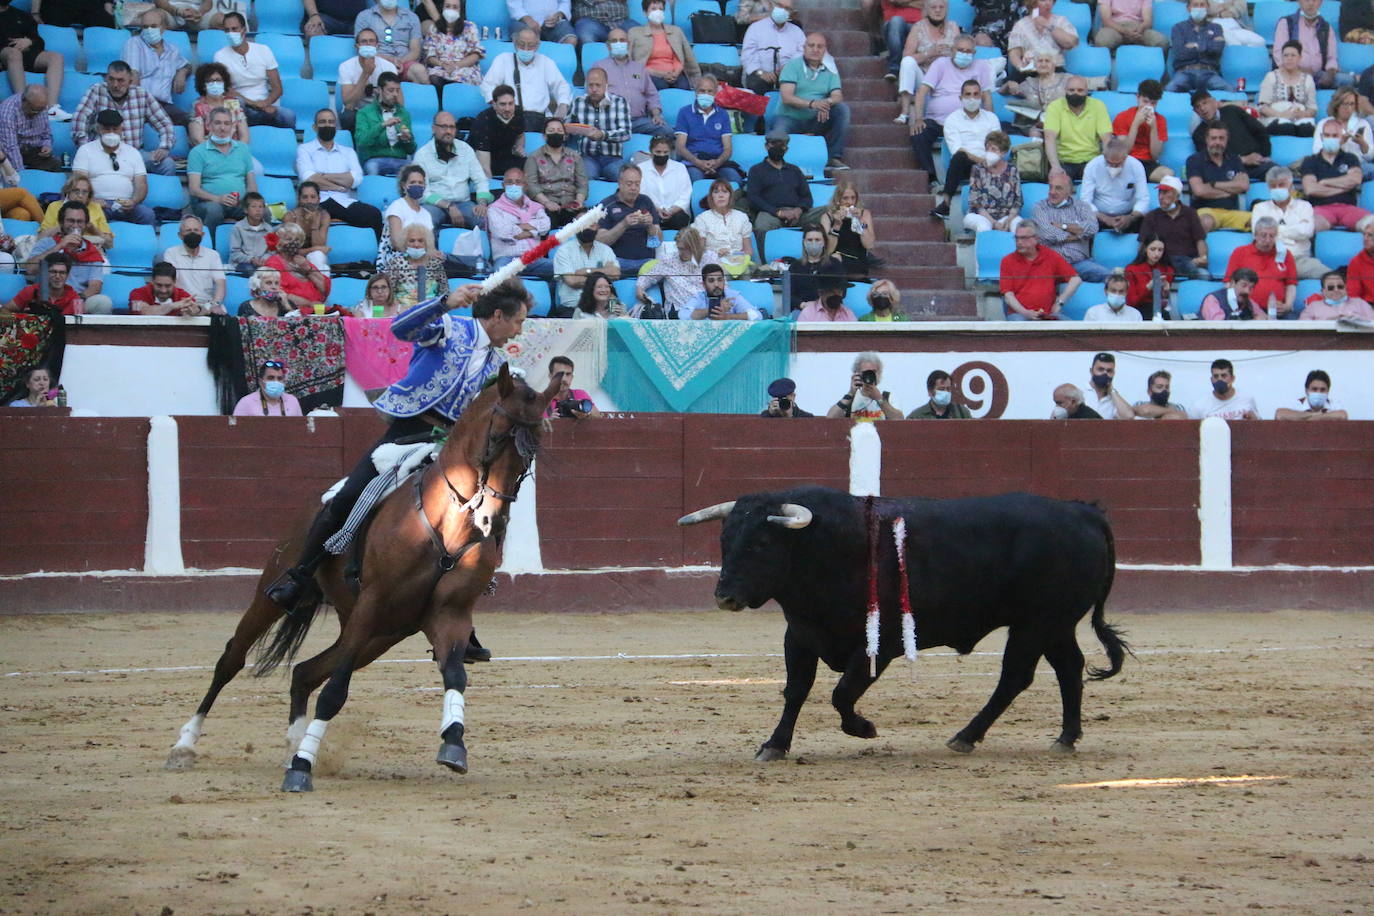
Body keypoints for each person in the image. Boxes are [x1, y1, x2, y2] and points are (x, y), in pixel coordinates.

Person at [261, 278, 528, 663]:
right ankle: (300, 576)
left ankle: (460, 618)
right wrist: (444, 303)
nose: (519, 330)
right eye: (518, 321)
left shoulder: (497, 365)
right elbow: (403, 329)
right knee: (349, 495)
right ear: (498, 316)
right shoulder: (452, 328)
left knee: (486, 517)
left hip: (450, 445)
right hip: (409, 429)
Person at [908, 36, 994, 177]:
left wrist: (991, 120)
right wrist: (918, 119)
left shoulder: (981, 66)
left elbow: (987, 96)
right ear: (952, 51)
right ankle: (931, 176)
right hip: (937, 121)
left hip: (968, 123)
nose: (964, 54)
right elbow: (922, 92)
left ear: (974, 53)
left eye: (968, 51)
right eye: (960, 50)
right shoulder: (940, 64)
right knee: (918, 134)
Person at [71, 61, 176, 177]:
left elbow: (164, 123)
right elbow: (78, 120)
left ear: (130, 81)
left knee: (167, 165)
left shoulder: (142, 95)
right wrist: (87, 149)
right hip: (102, 152)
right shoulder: (96, 91)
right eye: (111, 79)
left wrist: (164, 147)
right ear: (106, 78)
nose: (115, 85)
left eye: (120, 80)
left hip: (134, 154)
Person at [297, 108, 387, 239]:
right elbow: (308, 179)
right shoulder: (304, 149)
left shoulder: (348, 152)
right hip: (317, 202)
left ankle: (377, 258)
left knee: (374, 214)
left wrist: (322, 176)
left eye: (331, 122)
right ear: (315, 127)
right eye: (323, 122)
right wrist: (339, 184)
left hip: (344, 202)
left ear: (336, 126)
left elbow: (356, 179)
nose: (327, 125)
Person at [770, 33, 851, 173]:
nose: (815, 49)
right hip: (789, 118)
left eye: (820, 46)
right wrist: (812, 104)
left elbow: (837, 96)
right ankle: (777, 166)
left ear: (825, 50)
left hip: (816, 119)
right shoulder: (792, 66)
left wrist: (826, 103)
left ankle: (832, 157)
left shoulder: (830, 68)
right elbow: (786, 97)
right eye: (811, 45)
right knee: (778, 135)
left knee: (842, 110)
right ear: (804, 47)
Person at [71, 108, 156, 226]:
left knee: (147, 214)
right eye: (107, 129)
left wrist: (134, 201)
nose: (111, 133)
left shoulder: (133, 152)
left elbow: (141, 184)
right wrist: (92, 201)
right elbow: (78, 181)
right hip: (97, 204)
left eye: (115, 129)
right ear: (99, 128)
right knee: (88, 214)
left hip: (125, 204)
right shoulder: (85, 150)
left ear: (121, 128)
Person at [25, 203, 113, 314]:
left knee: (103, 302)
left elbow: (95, 286)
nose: (75, 225)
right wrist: (59, 246)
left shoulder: (91, 251)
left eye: (80, 221)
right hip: (47, 300)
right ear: (62, 223)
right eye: (71, 221)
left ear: (85, 225)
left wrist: (75, 299)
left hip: (77, 300)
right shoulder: (46, 243)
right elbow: (30, 269)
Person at [213, 12, 294, 129]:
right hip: (242, 106)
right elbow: (227, 91)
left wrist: (266, 103)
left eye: (234, 29)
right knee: (236, 104)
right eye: (227, 30)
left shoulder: (263, 50)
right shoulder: (220, 56)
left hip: (264, 105)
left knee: (289, 116)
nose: (231, 33)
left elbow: (277, 88)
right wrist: (254, 104)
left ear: (244, 30)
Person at [931, 79, 999, 217]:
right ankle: (945, 204)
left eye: (976, 94)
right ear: (960, 98)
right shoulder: (952, 120)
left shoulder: (991, 118)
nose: (972, 98)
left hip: (991, 164)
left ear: (981, 96)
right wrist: (981, 160)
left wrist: (987, 161)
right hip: (966, 166)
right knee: (959, 157)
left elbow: (997, 147)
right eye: (968, 94)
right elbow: (957, 150)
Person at [479, 28, 571, 129]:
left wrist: (562, 106)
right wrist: (498, 105)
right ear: (514, 43)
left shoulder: (546, 62)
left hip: (540, 119)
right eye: (521, 44)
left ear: (537, 46)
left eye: (530, 45)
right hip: (510, 118)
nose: (526, 49)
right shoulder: (503, 59)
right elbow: (487, 85)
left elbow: (561, 86)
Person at [1031, 169, 1108, 282]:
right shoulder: (1039, 208)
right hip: (1050, 265)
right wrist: (1078, 235)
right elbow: (1048, 234)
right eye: (1051, 187)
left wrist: (1063, 226)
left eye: (1058, 188)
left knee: (1111, 277)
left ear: (1069, 191)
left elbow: (1092, 228)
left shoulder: (1082, 206)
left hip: (1079, 264)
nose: (1052, 192)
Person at [187, 107, 256, 231]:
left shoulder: (243, 149)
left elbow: (251, 185)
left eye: (226, 123)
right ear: (208, 126)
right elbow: (194, 189)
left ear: (232, 126)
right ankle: (211, 248)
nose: (222, 128)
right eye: (217, 123)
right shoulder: (197, 152)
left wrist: (251, 203)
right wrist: (218, 198)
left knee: (262, 212)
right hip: (209, 202)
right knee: (214, 211)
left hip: (238, 203)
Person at [1251, 166, 1326, 280]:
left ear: (1291, 186)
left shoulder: (1304, 206)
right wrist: (1293, 234)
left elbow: (1307, 231)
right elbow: (1259, 235)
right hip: (1270, 259)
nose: (1277, 189)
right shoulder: (1260, 208)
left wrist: (1275, 231)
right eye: (1273, 186)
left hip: (1300, 260)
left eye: (1281, 185)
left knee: (1331, 276)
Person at [1302, 120, 1374, 236]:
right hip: (1321, 209)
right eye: (1327, 135)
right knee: (1310, 226)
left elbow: (1355, 179)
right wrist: (1344, 187)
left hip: (1349, 209)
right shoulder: (1310, 161)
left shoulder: (1350, 158)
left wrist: (1324, 182)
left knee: (1372, 224)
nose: (1331, 138)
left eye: (1335, 136)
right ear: (1321, 137)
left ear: (1341, 137)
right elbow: (1311, 189)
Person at [894, 0, 961, 122]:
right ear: (926, 10)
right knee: (907, 62)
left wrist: (949, 53)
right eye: (933, 7)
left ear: (946, 10)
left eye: (941, 7)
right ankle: (905, 112)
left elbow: (960, 52)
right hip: (925, 79)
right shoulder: (918, 27)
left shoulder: (953, 27)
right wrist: (928, 53)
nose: (937, 10)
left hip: (947, 79)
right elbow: (906, 56)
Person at [0, 2, 68, 120]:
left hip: (27, 53)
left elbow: (39, 40)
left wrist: (29, 42)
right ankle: (22, 105)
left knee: (56, 57)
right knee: (13, 53)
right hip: (5, 54)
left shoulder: (21, 15)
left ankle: (51, 109)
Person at [123, 8, 191, 125]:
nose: (149, 30)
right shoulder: (134, 43)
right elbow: (133, 76)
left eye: (154, 26)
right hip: (141, 102)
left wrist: (182, 73)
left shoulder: (172, 50)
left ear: (164, 28)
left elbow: (188, 65)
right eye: (145, 26)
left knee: (193, 121)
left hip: (165, 106)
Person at [1000, 222, 1080, 320]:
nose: (1019, 242)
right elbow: (1008, 295)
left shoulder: (1050, 256)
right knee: (1019, 325)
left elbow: (1076, 279)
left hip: (1047, 314)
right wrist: (1025, 313)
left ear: (1036, 239)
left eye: (1024, 238)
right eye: (1017, 238)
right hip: (1020, 314)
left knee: (1072, 328)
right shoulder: (1007, 261)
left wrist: (1059, 302)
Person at [593, 28, 665, 136]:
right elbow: (593, 95)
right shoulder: (599, 67)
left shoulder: (639, 68)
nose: (618, 43)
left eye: (622, 40)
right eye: (614, 41)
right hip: (612, 122)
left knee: (667, 131)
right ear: (608, 46)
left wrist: (656, 115)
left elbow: (652, 95)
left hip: (639, 121)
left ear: (628, 44)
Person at [1191, 90, 1273, 181]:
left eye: (1205, 103)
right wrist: (1243, 160)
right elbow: (1210, 158)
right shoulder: (1198, 134)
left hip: (1256, 162)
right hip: (1226, 170)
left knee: (1279, 174)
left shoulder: (1233, 111)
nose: (1202, 108)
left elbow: (1260, 131)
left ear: (1214, 102)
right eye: (1198, 107)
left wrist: (1263, 155)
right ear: (1195, 111)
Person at [674, 74, 742, 183]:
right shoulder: (685, 112)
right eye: (702, 91)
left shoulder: (723, 114)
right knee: (695, 179)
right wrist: (698, 162)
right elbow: (680, 146)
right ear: (696, 92)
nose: (706, 94)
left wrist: (717, 162)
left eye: (710, 91)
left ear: (715, 93)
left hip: (718, 162)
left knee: (735, 179)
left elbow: (728, 148)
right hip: (693, 162)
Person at [1139, 175, 1210, 279]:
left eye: (1165, 193)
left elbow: (1200, 240)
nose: (1160, 197)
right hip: (1161, 261)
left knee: (1204, 275)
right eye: (1160, 193)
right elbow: (1143, 245)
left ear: (1177, 196)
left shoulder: (1190, 213)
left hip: (1187, 261)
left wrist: (1202, 258)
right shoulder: (1152, 216)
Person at [1043, 76, 1112, 182]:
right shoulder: (1055, 107)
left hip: (1091, 161)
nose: (1075, 93)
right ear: (1065, 90)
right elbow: (1049, 138)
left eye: (1080, 90)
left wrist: (1105, 164)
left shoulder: (1098, 106)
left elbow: (1107, 139)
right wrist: (1055, 167)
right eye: (1071, 90)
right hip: (1064, 162)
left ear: (1087, 91)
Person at [746, 132, 812, 242]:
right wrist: (778, 213)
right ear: (766, 146)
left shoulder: (794, 170)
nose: (778, 148)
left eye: (782, 145)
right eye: (774, 144)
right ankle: (761, 259)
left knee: (827, 213)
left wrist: (798, 210)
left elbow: (807, 197)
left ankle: (826, 256)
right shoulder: (756, 170)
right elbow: (753, 198)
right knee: (761, 227)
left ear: (786, 149)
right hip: (770, 213)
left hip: (797, 213)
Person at [488, 167, 553, 278]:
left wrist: (524, 229)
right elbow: (502, 232)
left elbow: (546, 225)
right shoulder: (494, 209)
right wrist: (533, 230)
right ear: (503, 186)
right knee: (498, 276)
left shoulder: (535, 206)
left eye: (518, 182)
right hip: (506, 259)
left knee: (560, 269)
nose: (514, 185)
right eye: (509, 182)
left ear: (525, 185)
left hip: (533, 258)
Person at [524, 117, 588, 229]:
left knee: (587, 223)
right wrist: (547, 202)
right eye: (551, 131)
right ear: (544, 135)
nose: (556, 133)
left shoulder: (575, 156)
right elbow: (531, 185)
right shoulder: (534, 157)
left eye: (559, 131)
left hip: (571, 204)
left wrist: (579, 200)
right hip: (545, 206)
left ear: (564, 136)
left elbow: (582, 183)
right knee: (544, 226)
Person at [1225, 218, 1297, 317]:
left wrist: (1288, 305)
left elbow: (1291, 284)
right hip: (1247, 310)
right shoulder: (1240, 252)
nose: (1268, 240)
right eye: (1263, 235)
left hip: (1277, 311)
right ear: (1255, 235)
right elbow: (1229, 283)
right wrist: (1237, 304)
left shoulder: (1285, 254)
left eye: (1272, 236)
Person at [596, 163, 661, 275]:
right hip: (617, 262)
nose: (634, 188)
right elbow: (601, 241)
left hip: (646, 263)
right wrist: (624, 224)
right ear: (620, 183)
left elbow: (657, 242)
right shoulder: (607, 205)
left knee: (661, 267)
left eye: (637, 184)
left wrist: (650, 226)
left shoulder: (646, 201)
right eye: (629, 184)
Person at [569, 68, 630, 183]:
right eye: (590, 85)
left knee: (623, 178)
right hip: (587, 156)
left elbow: (626, 133)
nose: (594, 89)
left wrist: (603, 135)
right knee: (584, 176)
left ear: (606, 85)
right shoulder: (577, 102)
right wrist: (567, 131)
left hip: (613, 158)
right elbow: (567, 127)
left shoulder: (619, 102)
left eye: (598, 85)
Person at [1187, 123, 1252, 232]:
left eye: (1221, 138)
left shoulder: (1234, 160)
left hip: (1232, 213)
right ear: (1207, 140)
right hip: (1206, 211)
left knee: (1260, 221)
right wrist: (1231, 190)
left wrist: (1213, 184)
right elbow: (1199, 191)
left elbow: (1244, 185)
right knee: (1205, 222)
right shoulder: (1194, 160)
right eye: (1214, 138)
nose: (1217, 142)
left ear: (1227, 140)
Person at [634, 226, 710, 319]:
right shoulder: (668, 260)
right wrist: (640, 288)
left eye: (687, 249)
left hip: (704, 309)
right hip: (679, 310)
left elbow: (721, 285)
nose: (682, 252)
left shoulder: (708, 259)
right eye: (680, 248)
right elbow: (648, 277)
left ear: (695, 246)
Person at [1080, 137, 1149, 234]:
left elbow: (1143, 199)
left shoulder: (1136, 166)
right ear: (1104, 156)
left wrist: (1130, 217)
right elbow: (1085, 200)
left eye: (1117, 164)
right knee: (1083, 222)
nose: (1113, 167)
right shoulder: (1093, 166)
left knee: (1147, 222)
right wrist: (1105, 218)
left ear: (1125, 158)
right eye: (1110, 163)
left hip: (1128, 214)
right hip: (1098, 215)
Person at [356, 73, 417, 176]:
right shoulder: (364, 113)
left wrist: (407, 139)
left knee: (414, 173)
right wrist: (382, 125)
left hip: (400, 159)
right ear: (379, 90)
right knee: (372, 168)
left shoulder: (404, 113)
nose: (395, 94)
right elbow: (361, 142)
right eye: (391, 90)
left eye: (397, 90)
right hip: (375, 159)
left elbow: (411, 150)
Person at [963, 130, 1022, 235]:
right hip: (981, 215)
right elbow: (975, 203)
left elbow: (1018, 200)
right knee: (984, 227)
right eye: (987, 148)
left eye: (993, 149)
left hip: (1006, 216)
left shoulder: (1012, 170)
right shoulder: (977, 169)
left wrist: (1009, 219)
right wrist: (994, 223)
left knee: (1019, 226)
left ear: (1003, 153)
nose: (989, 151)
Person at [629, 0, 698, 90]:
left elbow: (682, 57)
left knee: (683, 86)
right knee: (660, 86)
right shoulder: (635, 33)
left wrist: (676, 73)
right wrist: (661, 74)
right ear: (645, 13)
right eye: (653, 9)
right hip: (649, 74)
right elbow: (632, 61)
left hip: (674, 74)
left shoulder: (676, 31)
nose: (657, 12)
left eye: (660, 9)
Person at [355, 0, 428, 85]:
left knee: (420, 71)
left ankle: (416, 98)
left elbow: (415, 51)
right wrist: (390, 61)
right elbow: (363, 47)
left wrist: (400, 62)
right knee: (376, 69)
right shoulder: (364, 17)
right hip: (377, 61)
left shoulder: (412, 17)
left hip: (404, 62)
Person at [552, 223, 620, 316]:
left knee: (621, 317)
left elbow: (615, 274)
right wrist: (602, 277)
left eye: (591, 224)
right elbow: (572, 281)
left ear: (598, 227)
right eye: (583, 223)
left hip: (604, 310)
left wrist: (587, 271)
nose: (586, 227)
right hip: (572, 309)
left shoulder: (605, 250)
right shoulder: (564, 251)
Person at [161, 214, 226, 308]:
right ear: (180, 235)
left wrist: (215, 305)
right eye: (188, 230)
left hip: (207, 305)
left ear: (202, 235)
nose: (192, 233)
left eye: (196, 230)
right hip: (182, 303)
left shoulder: (213, 255)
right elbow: (172, 282)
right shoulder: (171, 253)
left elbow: (220, 284)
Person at [338, 29, 398, 131]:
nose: (368, 44)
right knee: (347, 117)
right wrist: (365, 73)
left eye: (371, 41)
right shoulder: (346, 66)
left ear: (377, 45)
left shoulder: (389, 67)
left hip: (381, 109)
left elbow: (397, 99)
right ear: (357, 46)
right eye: (364, 41)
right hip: (357, 110)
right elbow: (348, 102)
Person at [1113, 79, 1173, 181]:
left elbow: (1155, 155)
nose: (1148, 106)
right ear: (1137, 97)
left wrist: (1153, 128)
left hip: (1147, 163)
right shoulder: (1122, 116)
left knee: (1168, 174)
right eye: (1145, 101)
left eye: (1153, 103)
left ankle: (1137, 179)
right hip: (1126, 161)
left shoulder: (1160, 120)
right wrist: (1136, 124)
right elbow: (1124, 151)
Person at [1273, 0, 1340, 89]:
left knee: (1346, 80)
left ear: (1321, 2)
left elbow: (1331, 58)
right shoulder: (1287, 23)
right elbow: (1279, 55)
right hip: (1291, 73)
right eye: (1307, 0)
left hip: (1319, 76)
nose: (1311, 3)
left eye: (1314, 0)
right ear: (1299, 1)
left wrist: (1330, 73)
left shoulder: (1326, 28)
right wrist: (1297, 72)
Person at [818, 179, 878, 278]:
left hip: (857, 261)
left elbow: (869, 245)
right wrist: (836, 226)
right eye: (845, 198)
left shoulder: (864, 214)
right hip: (835, 262)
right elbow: (827, 250)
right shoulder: (827, 217)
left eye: (853, 198)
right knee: (834, 259)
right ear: (838, 200)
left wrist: (861, 221)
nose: (849, 202)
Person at [1259, 42, 1319, 137]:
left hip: (1300, 119)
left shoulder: (1308, 79)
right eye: (1286, 55)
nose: (1289, 58)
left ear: (1300, 58)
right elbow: (1263, 107)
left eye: (1293, 55)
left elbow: (1312, 109)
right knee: (1286, 127)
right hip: (1275, 118)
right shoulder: (1271, 77)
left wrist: (1302, 114)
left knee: (1307, 129)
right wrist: (1280, 114)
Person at [1167, 0, 1228, 93]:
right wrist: (1208, 44)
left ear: (1207, 7)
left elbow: (1217, 49)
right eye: (1195, 5)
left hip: (1209, 72)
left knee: (1230, 91)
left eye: (1202, 5)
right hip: (1185, 72)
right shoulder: (1178, 28)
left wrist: (1194, 45)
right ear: (1188, 8)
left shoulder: (1216, 27)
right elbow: (1180, 53)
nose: (1199, 8)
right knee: (1169, 90)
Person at [265, 222, 331, 308]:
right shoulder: (273, 262)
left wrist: (307, 268)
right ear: (278, 243)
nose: (294, 243)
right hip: (291, 309)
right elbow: (279, 292)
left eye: (297, 240)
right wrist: (309, 304)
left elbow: (324, 288)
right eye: (289, 239)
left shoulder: (301, 260)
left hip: (316, 308)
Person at [743, 3, 805, 94]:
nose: (783, 10)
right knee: (758, 85)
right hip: (760, 75)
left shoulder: (797, 32)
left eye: (787, 8)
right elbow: (748, 56)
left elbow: (802, 53)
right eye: (780, 6)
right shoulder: (755, 28)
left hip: (789, 74)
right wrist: (761, 73)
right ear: (771, 6)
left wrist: (788, 67)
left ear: (791, 13)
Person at [1006, 0, 1079, 78]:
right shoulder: (1021, 25)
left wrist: (1048, 25)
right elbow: (1014, 52)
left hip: (1055, 70)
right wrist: (1020, 66)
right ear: (1033, 2)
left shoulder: (1060, 21)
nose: (1047, 3)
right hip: (1030, 71)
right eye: (1043, 0)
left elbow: (1071, 43)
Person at [1313, 87, 1374, 179]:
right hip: (1333, 164)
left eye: (1352, 104)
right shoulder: (1324, 124)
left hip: (1358, 165)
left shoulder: (1363, 124)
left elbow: (1370, 157)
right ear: (1337, 105)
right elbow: (1317, 152)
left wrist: (1362, 143)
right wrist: (1339, 142)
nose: (1349, 108)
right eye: (1345, 104)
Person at [0, 86, 60, 177]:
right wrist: (22, 175)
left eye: (41, 110)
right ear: (24, 101)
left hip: (34, 151)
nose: (38, 113)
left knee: (56, 165)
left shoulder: (41, 107)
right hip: (10, 153)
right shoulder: (7, 112)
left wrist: (46, 145)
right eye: (34, 110)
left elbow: (46, 133)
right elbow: (10, 148)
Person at [40, 176, 113, 251]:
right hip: (60, 247)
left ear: (89, 194)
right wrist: (64, 226)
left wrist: (93, 229)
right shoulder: (54, 206)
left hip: (91, 249)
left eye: (84, 192)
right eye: (76, 191)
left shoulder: (96, 208)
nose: (80, 195)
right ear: (68, 191)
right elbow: (40, 237)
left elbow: (109, 244)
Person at [187, 62, 249, 147]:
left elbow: (244, 136)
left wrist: (237, 152)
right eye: (210, 81)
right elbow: (198, 140)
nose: (215, 83)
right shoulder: (198, 106)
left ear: (224, 83)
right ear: (203, 86)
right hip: (208, 153)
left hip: (234, 150)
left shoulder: (233, 103)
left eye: (218, 80)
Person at [471, 84, 527, 177]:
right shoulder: (483, 121)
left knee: (530, 166)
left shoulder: (518, 112)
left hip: (506, 157)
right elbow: (484, 167)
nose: (507, 109)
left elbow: (520, 135)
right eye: (502, 104)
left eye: (510, 103)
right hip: (485, 159)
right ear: (494, 104)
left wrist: (519, 146)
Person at [386, 224, 448, 308]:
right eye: (411, 241)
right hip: (402, 313)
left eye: (420, 241)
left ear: (426, 243)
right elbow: (389, 292)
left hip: (431, 311)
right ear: (404, 243)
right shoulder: (396, 263)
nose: (416, 245)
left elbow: (444, 292)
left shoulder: (435, 263)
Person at [424, 0, 483, 87]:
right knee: (433, 77)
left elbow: (476, 55)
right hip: (441, 67)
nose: (451, 10)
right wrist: (442, 64)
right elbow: (429, 57)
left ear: (460, 10)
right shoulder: (434, 28)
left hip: (464, 67)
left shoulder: (470, 27)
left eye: (455, 7)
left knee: (460, 78)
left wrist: (456, 66)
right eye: (447, 6)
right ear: (442, 8)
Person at [826, 352, 901, 420]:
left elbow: (900, 420)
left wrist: (880, 399)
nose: (870, 376)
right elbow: (830, 419)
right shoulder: (851, 397)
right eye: (866, 372)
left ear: (879, 373)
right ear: (857, 374)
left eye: (873, 372)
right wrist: (850, 394)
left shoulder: (887, 396)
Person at [639, 134, 691, 231]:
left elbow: (686, 194)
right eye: (658, 152)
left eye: (665, 152)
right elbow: (642, 194)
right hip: (651, 212)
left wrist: (672, 211)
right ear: (651, 151)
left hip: (676, 214)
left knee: (680, 219)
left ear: (670, 152)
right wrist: (657, 210)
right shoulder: (641, 168)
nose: (662, 155)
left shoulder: (680, 168)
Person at [3, 252, 84, 315]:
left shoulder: (74, 298)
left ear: (67, 275)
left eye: (62, 273)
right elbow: (4, 310)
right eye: (53, 272)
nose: (57, 276)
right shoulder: (31, 291)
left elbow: (77, 328)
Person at [1001, 52, 1070, 125]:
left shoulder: (1067, 79)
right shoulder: (1029, 83)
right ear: (1035, 65)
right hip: (1037, 125)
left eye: (1047, 61)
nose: (1043, 64)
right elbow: (1000, 92)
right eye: (1040, 61)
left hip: (1063, 122)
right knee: (1034, 132)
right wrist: (1008, 84)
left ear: (1054, 64)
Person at [785, 225, 841, 311]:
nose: (813, 243)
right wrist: (802, 305)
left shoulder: (834, 264)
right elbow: (788, 295)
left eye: (817, 240)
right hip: (803, 310)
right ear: (804, 242)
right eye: (810, 240)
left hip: (829, 310)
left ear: (824, 242)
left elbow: (841, 291)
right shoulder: (795, 267)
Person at [678, 263, 760, 322]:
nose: (716, 284)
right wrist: (714, 309)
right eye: (711, 281)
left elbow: (757, 315)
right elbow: (683, 315)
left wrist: (728, 317)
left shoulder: (732, 296)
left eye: (720, 280)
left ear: (724, 282)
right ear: (703, 285)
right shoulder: (699, 297)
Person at [283, 182, 334, 275]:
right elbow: (289, 251)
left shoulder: (324, 216)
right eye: (305, 197)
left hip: (316, 259)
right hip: (294, 259)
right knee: (320, 261)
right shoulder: (290, 217)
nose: (309, 201)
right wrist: (313, 249)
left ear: (319, 199)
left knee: (317, 256)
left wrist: (314, 224)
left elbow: (320, 245)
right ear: (299, 199)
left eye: (313, 197)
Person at [1188, 358, 1260, 419]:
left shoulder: (1247, 398)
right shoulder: (1199, 406)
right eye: (1216, 376)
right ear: (1211, 380)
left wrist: (1253, 419)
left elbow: (1259, 425)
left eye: (1224, 376)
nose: (1219, 380)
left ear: (1232, 378)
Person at [1124, 235, 1176, 319]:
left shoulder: (1168, 270)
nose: (1156, 254)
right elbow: (1131, 302)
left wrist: (1165, 292)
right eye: (1152, 249)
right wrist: (1149, 286)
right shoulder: (1131, 269)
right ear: (1145, 249)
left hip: (1159, 310)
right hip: (1137, 310)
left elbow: (1165, 304)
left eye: (1160, 250)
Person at [129, 261, 203, 316]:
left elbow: (199, 309)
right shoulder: (137, 293)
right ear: (152, 281)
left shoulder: (183, 295)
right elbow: (145, 311)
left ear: (175, 282)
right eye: (159, 285)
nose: (163, 290)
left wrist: (196, 310)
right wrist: (172, 306)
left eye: (168, 286)